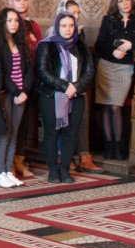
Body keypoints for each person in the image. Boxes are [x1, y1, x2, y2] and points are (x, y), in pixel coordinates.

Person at [94, 0, 135, 159]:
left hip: (125, 67)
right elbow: (100, 45)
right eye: (121, 1)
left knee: (116, 106)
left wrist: (132, 45)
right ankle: (109, 146)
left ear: (131, 1)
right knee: (106, 106)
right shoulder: (108, 20)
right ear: (116, 4)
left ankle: (119, 146)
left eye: (127, 0)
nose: (125, 3)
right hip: (107, 65)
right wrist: (113, 52)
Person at [37, 11, 95, 183]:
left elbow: (89, 71)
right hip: (51, 95)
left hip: (76, 95)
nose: (68, 29)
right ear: (57, 27)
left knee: (70, 134)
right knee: (52, 134)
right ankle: (53, 170)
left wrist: (76, 87)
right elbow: (42, 71)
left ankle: (65, 169)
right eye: (63, 26)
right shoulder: (46, 45)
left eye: (71, 26)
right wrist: (64, 86)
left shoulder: (81, 45)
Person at [56, 0, 104, 174]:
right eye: (72, 12)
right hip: (61, 87)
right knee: (62, 121)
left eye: (78, 13)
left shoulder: (80, 34)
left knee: (82, 120)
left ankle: (85, 157)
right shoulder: (54, 33)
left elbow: (86, 62)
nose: (76, 16)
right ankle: (64, 157)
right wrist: (64, 86)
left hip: (79, 85)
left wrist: (79, 85)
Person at [0, 7, 33, 188]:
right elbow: (1, 72)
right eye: (9, 20)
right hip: (6, 93)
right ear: (2, 22)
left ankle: (8, 171)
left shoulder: (20, 42)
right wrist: (15, 92)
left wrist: (24, 91)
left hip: (21, 94)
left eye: (16, 20)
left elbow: (29, 68)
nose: (14, 24)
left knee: (15, 133)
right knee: (5, 133)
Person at [8, 0, 43, 179]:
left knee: (24, 124)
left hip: (31, 80)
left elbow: (39, 50)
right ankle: (8, 162)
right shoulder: (8, 23)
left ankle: (19, 159)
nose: (22, 2)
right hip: (13, 82)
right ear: (11, 1)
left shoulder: (33, 25)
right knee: (12, 123)